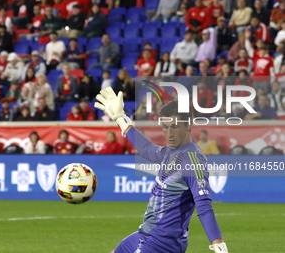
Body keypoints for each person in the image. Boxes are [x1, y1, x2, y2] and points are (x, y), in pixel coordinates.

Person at [94, 88, 228, 253]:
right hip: (144, 235)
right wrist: (121, 118)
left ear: (189, 125)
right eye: (165, 127)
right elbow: (147, 149)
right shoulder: (170, 152)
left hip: (162, 245)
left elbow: (204, 206)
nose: (169, 133)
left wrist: (219, 245)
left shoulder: (193, 161)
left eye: (175, 127)